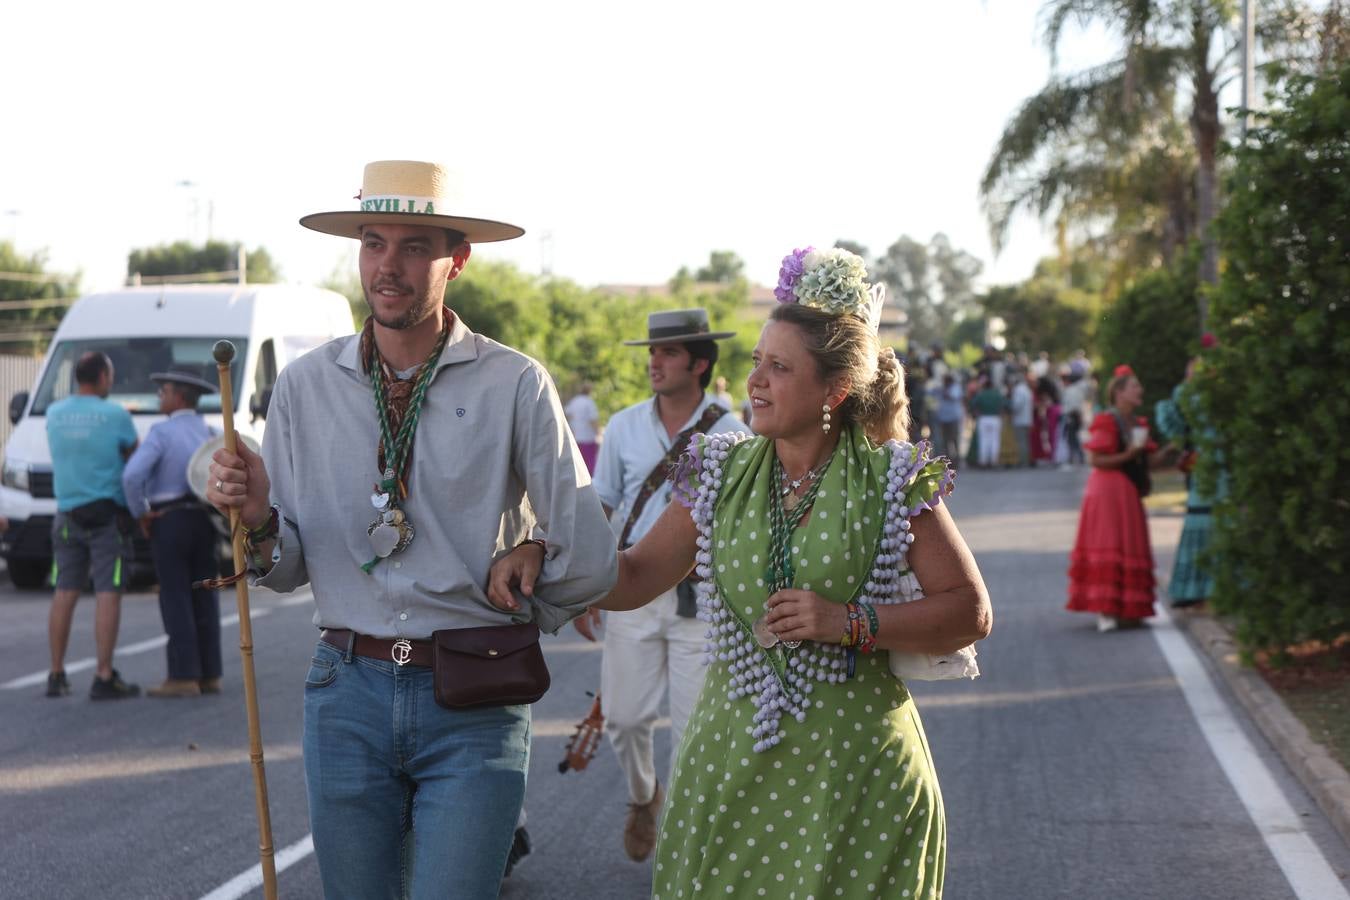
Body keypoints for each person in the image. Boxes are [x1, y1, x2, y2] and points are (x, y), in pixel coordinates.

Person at [492, 246, 991, 897]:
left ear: (833, 392)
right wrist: (543, 550)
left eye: (779, 367)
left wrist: (848, 621)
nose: (754, 380)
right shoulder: (719, 469)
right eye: (756, 361)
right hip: (729, 764)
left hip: (858, 775)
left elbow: (968, 613)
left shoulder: (895, 477)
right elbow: (637, 574)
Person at [205, 160, 617, 899]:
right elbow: (289, 564)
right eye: (372, 242)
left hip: (473, 698)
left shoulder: (514, 382)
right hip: (344, 691)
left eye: (413, 246)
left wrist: (529, 590)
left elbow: (588, 555)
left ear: (457, 259)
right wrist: (260, 516)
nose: (387, 267)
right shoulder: (304, 385)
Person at [575, 307, 742, 862]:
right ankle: (644, 797)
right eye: (652, 352)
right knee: (623, 719)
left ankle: (686, 846)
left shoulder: (733, 431)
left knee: (695, 730)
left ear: (698, 363)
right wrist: (585, 585)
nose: (655, 362)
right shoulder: (622, 425)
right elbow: (601, 505)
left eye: (667, 353)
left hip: (704, 599)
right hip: (633, 589)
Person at [45, 351, 141, 700]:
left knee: (64, 592)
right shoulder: (115, 415)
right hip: (106, 519)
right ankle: (103, 675)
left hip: (66, 516)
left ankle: (56, 673)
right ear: (102, 377)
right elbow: (136, 458)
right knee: (107, 593)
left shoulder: (54, 414)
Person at [121, 366, 222, 698]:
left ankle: (183, 675)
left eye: (162, 391)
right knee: (205, 593)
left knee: (175, 596)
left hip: (170, 520)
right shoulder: (209, 433)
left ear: (178, 396)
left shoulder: (161, 433)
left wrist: (142, 513)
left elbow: (132, 477)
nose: (159, 397)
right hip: (205, 520)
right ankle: (210, 674)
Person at [1066, 364, 1173, 631]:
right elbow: (1096, 459)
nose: (1141, 391)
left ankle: (1127, 609)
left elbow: (1146, 460)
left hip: (1126, 490)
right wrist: (1130, 453)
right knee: (1111, 543)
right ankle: (1107, 608)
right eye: (1135, 387)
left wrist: (1173, 450)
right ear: (1120, 393)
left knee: (1127, 545)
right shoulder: (1108, 420)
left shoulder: (1136, 422)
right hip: (1107, 491)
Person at [1154, 337, 1225, 608]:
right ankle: (1202, 589)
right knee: (1207, 517)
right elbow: (1174, 422)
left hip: (1216, 462)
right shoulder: (1194, 393)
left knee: (1214, 518)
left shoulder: (1217, 391)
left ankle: (1208, 588)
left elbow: (1173, 421)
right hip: (1207, 462)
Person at [564, 381, 601, 473]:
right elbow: (593, 420)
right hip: (587, 437)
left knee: (576, 463)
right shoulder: (589, 402)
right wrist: (598, 433)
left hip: (576, 437)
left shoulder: (574, 401)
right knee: (589, 463)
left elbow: (567, 415)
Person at [970, 373, 1006, 468]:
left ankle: (983, 461)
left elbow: (972, 403)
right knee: (995, 441)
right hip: (995, 418)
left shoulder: (981, 394)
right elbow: (1005, 404)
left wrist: (976, 412)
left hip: (983, 418)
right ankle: (994, 461)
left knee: (983, 440)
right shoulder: (997, 394)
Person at [933, 371, 964, 465]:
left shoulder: (955, 387)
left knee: (954, 439)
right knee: (945, 440)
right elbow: (932, 393)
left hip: (953, 418)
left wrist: (943, 390)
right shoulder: (941, 388)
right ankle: (947, 460)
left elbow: (951, 396)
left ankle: (957, 459)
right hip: (943, 418)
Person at [1009, 373, 1033, 467]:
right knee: (1026, 441)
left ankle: (1023, 461)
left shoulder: (1018, 390)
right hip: (1027, 419)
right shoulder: (1027, 390)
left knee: (1021, 441)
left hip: (1020, 419)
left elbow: (1017, 405)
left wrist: (1011, 408)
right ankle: (1027, 459)